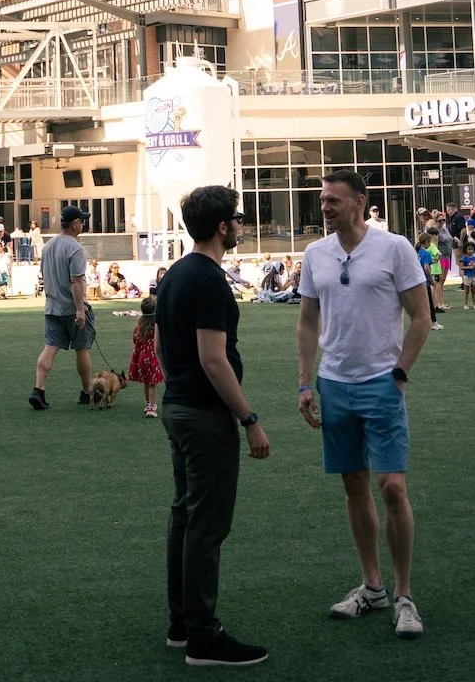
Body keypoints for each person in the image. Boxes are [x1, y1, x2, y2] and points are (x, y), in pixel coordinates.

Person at [297, 171, 431, 641]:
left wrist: (399, 371)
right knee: (354, 485)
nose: (326, 207)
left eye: (334, 200)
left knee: (392, 487)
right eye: (322, 200)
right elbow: (308, 320)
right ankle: (372, 587)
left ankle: (404, 594)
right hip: (333, 384)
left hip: (381, 383)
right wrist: (303, 382)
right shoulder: (315, 254)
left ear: (360, 202)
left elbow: (422, 316)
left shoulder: (394, 247)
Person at [156, 184, 269, 667]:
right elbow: (213, 359)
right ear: (223, 227)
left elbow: (162, 345)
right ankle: (202, 635)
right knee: (206, 525)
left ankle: (182, 624)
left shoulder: (178, 273)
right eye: (237, 220)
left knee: (186, 517)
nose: (240, 227)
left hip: (178, 406)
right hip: (203, 416)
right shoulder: (207, 280)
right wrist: (249, 419)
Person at [28, 205, 94, 410]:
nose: (83, 224)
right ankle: (85, 392)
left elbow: (45, 276)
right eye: (82, 221)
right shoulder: (76, 249)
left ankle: (38, 389)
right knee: (81, 348)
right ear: (75, 224)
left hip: (52, 307)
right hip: (72, 308)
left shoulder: (48, 246)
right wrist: (80, 310)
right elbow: (76, 282)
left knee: (50, 347)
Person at [127, 293, 165, 417]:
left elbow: (135, 340)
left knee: (146, 382)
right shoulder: (157, 327)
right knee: (152, 383)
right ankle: (152, 408)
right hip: (153, 358)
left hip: (141, 359)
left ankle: (147, 403)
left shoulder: (139, 326)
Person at [457, 240, 475, 309]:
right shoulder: (464, 258)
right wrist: (469, 267)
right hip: (467, 276)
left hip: (474, 276)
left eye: (472, 249)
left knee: (474, 291)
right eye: (469, 249)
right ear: (466, 250)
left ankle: (474, 304)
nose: (470, 251)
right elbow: (461, 267)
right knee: (466, 291)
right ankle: (466, 304)